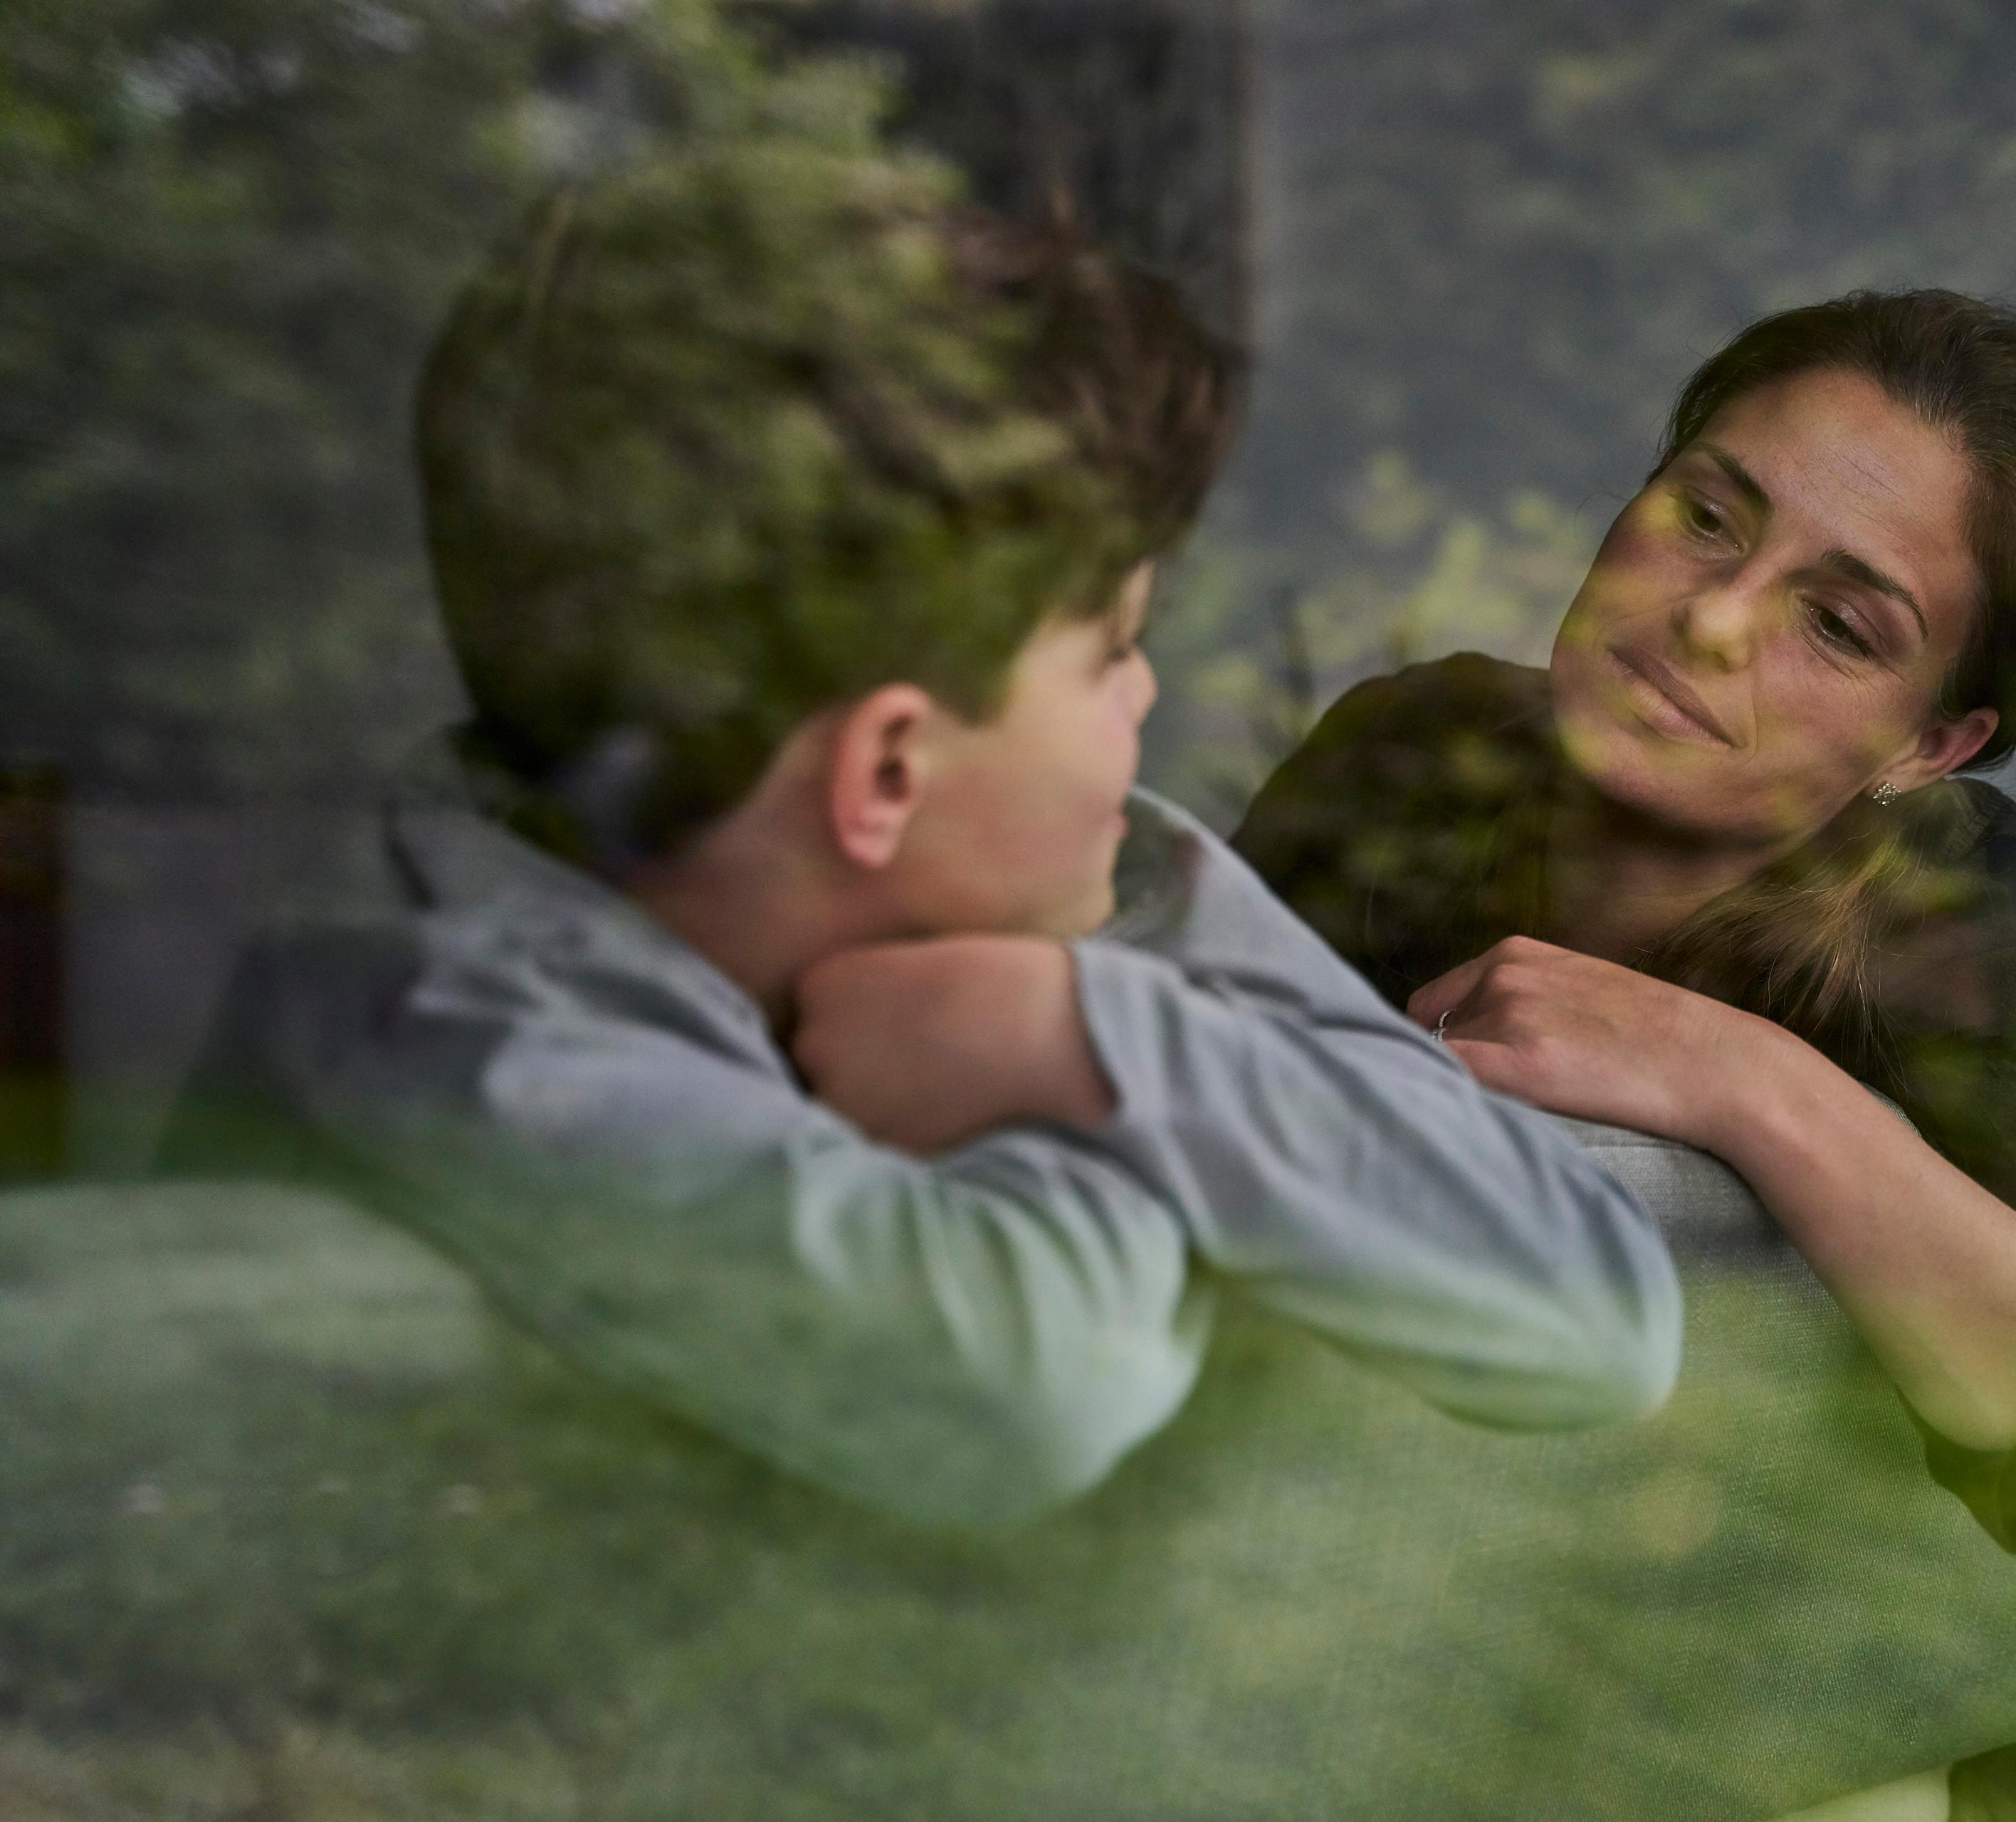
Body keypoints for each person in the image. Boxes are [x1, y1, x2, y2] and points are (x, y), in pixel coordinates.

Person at [176, 145, 1679, 1530]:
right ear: (889, 766)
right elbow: (1029, 1380)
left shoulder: (1104, 896)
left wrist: (1094, 1033)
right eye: (1112, 649)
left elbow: (1600, 1304)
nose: (1145, 700)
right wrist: (1115, 1103)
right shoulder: (447, 1023)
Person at [1234, 290, 2016, 1621]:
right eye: (1708, 516)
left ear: (1929, 749)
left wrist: (1744, 1082)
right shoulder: (1404, 753)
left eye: (1841, 626)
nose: (1716, 621)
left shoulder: (1952, 915)